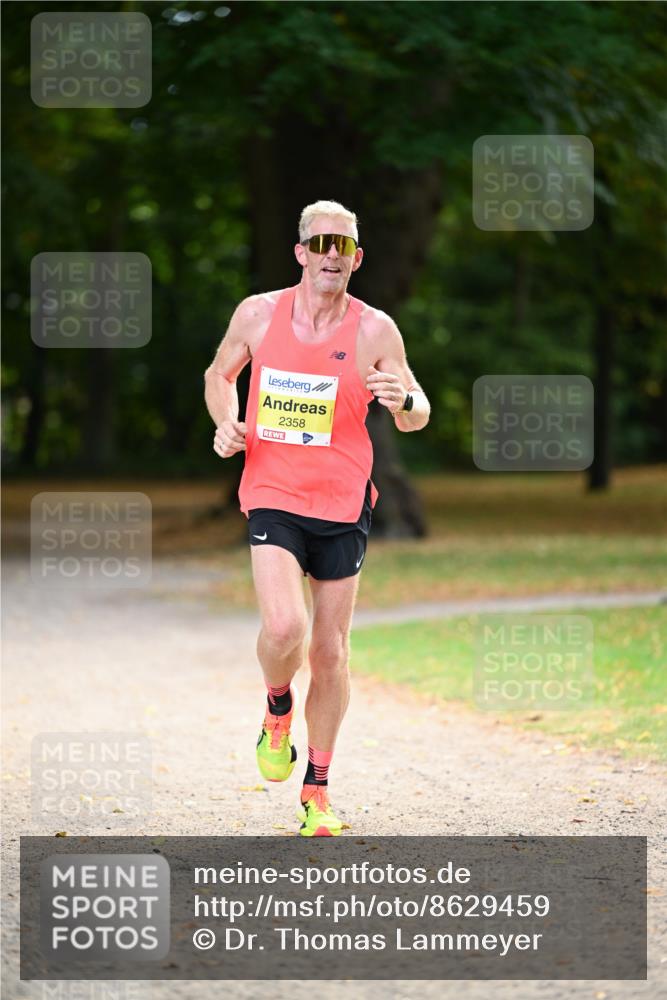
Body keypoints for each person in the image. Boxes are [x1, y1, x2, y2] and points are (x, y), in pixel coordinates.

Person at [204, 200, 430, 836]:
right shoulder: (258, 313)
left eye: (345, 245)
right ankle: (278, 709)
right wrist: (227, 421)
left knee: (330, 653)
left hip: (343, 503)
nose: (332, 253)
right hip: (273, 491)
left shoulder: (374, 331)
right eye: (320, 242)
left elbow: (418, 408)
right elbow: (219, 375)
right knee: (284, 629)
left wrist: (404, 399)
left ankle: (318, 791)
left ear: (356, 258)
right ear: (300, 252)